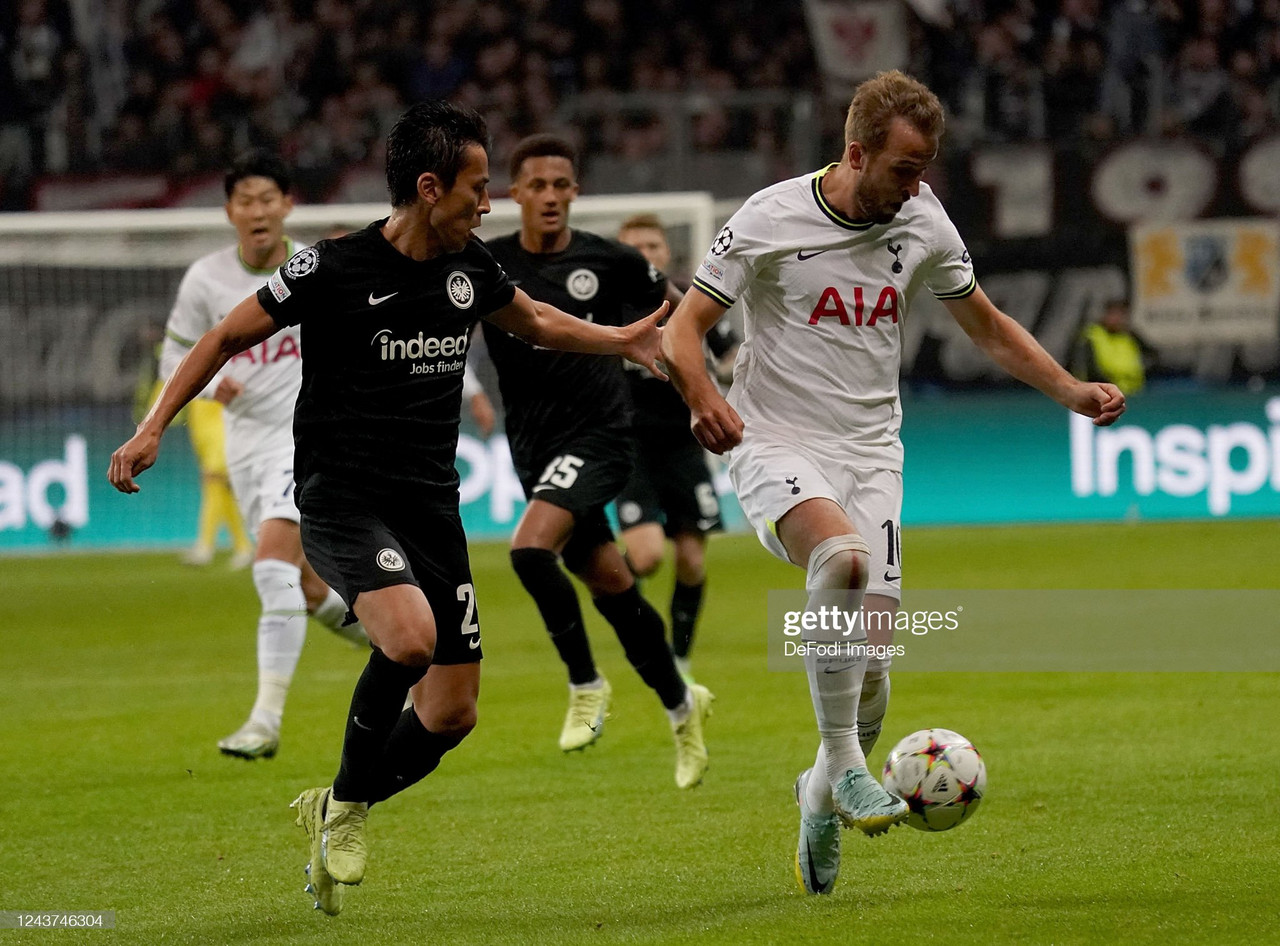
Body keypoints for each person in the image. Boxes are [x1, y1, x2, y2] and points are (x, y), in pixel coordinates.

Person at [109, 101, 669, 917]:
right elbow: (222, 337)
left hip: (430, 509)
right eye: (479, 188)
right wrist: (153, 426)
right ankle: (344, 808)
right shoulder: (332, 268)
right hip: (343, 500)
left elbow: (537, 321)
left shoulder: (469, 264)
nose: (490, 204)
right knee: (409, 641)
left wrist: (621, 341)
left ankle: (340, 802)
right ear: (430, 185)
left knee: (453, 713)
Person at [659, 70, 1126, 896]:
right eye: (905, 168)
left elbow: (986, 325)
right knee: (838, 560)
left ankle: (815, 789)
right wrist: (702, 399)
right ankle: (844, 767)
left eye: (927, 168)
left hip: (874, 453)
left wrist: (1073, 391)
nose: (918, 185)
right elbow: (683, 332)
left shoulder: (924, 220)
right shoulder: (769, 218)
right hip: (775, 439)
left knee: (873, 664)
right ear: (856, 152)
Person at [481, 135, 714, 784]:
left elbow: (682, 318)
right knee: (615, 587)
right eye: (538, 185)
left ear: (575, 192)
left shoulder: (609, 260)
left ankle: (585, 682)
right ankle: (679, 704)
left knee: (530, 551)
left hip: (603, 437)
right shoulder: (486, 265)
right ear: (515, 194)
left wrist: (700, 394)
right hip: (533, 448)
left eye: (562, 184)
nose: (551, 195)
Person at [158, 151, 369, 762]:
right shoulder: (205, 280)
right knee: (303, 589)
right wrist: (204, 382)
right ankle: (403, 652)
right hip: (246, 447)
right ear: (230, 211)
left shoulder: (316, 267)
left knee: (270, 565)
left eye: (267, 198)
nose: (257, 210)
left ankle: (264, 722)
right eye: (245, 200)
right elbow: (173, 357)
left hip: (310, 442)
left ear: (286, 205)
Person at [615, 213, 739, 681]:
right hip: (629, 448)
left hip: (685, 446)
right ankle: (608, 581)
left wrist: (727, 371)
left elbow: (728, 352)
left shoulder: (690, 300)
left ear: (666, 252)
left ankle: (679, 658)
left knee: (690, 558)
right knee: (645, 557)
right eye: (635, 246)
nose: (644, 254)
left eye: (652, 245)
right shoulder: (607, 304)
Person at [1070, 297, 1153, 395]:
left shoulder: (1131, 335)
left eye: (1121, 315)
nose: (1117, 319)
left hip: (1134, 392)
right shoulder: (1092, 336)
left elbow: (1152, 356)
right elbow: (1089, 370)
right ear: (1105, 315)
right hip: (1101, 393)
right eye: (1113, 314)